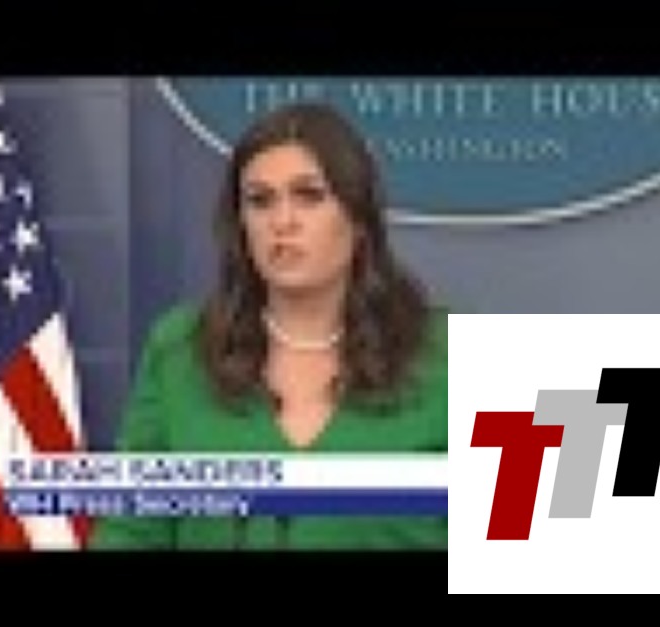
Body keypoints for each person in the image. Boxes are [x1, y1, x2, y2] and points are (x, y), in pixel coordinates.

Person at [89, 101, 447, 550]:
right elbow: (130, 534)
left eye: (309, 196)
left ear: (358, 219)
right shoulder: (179, 350)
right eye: (260, 200)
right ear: (241, 225)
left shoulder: (459, 356)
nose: (282, 222)